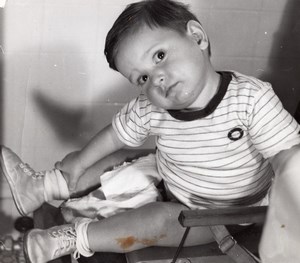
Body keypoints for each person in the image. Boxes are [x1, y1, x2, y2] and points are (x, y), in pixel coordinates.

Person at [1, 0, 300, 262]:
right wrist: (79, 161)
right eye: (142, 77)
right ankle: (41, 187)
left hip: (221, 214)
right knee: (111, 156)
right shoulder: (150, 106)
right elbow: (114, 135)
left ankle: (70, 239)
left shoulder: (251, 99)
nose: (156, 78)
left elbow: (288, 158)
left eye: (159, 56)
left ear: (197, 37)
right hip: (170, 177)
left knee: (156, 221)